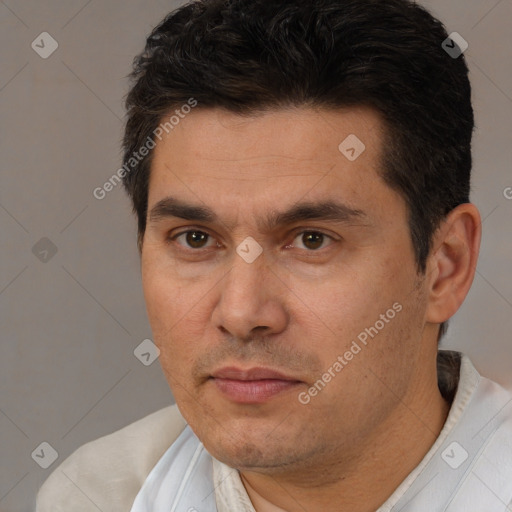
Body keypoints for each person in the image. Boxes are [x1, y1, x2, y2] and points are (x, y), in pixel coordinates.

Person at [36, 0, 512, 510]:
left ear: (446, 266)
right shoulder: (98, 495)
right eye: (195, 239)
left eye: (312, 240)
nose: (241, 313)